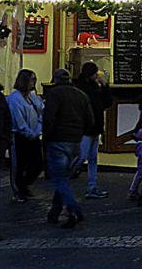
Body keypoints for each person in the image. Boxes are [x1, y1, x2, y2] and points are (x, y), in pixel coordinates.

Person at [43, 68, 94, 228]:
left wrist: (46, 138)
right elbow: (90, 121)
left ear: (55, 79)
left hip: (58, 140)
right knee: (63, 177)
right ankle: (55, 211)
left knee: (59, 178)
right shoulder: (81, 95)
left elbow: (49, 119)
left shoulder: (54, 94)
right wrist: (80, 133)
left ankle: (74, 209)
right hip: (75, 141)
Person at [74, 61, 113, 199]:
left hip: (88, 128)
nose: (97, 75)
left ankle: (90, 186)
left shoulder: (81, 88)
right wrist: (105, 86)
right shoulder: (93, 89)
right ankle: (89, 186)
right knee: (86, 157)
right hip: (90, 128)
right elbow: (107, 103)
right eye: (96, 73)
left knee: (86, 157)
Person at [7, 69, 43, 203]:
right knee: (19, 164)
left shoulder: (32, 96)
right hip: (20, 136)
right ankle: (19, 190)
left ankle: (25, 184)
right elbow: (18, 120)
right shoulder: (15, 99)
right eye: (31, 80)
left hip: (33, 135)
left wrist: (38, 129)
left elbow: (41, 111)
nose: (33, 82)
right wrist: (29, 132)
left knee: (37, 163)